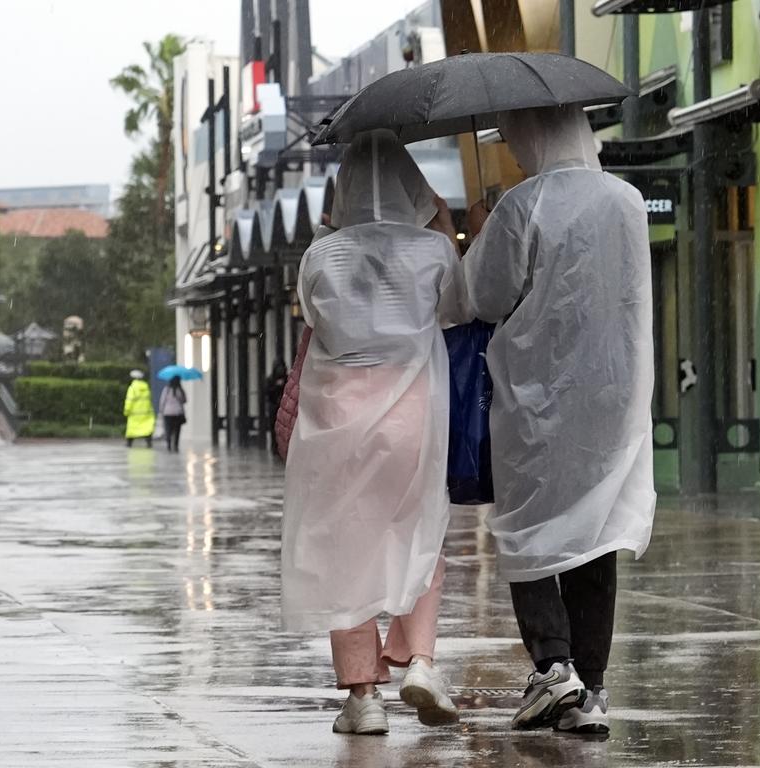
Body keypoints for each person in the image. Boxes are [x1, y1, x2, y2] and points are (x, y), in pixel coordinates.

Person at [462, 105, 656, 735]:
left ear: (539, 132)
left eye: (517, 135)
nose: (515, 149)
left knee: (530, 529)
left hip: (538, 393)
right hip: (612, 391)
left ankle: (553, 665)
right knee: (592, 531)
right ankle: (591, 688)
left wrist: (479, 232)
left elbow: (485, 297)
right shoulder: (626, 199)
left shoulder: (524, 205)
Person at [281, 130, 470, 736]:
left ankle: (362, 696)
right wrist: (442, 224)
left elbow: (315, 319)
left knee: (346, 551)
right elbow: (460, 310)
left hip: (337, 420)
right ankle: (419, 659)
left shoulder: (321, 256)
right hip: (414, 412)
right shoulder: (431, 252)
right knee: (421, 531)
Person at [123, 370, 155, 448]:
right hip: (146, 413)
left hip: (134, 414)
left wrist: (126, 411)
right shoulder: (146, 387)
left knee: (132, 430)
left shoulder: (132, 388)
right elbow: (149, 399)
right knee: (146, 429)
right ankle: (149, 442)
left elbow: (129, 400)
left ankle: (129, 443)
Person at [158, 375, 187, 452]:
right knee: (177, 430)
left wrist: (161, 411)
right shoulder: (179, 390)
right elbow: (184, 400)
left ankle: (169, 444)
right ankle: (176, 445)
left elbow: (162, 401)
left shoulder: (166, 390)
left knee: (168, 429)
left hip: (167, 413)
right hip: (178, 413)